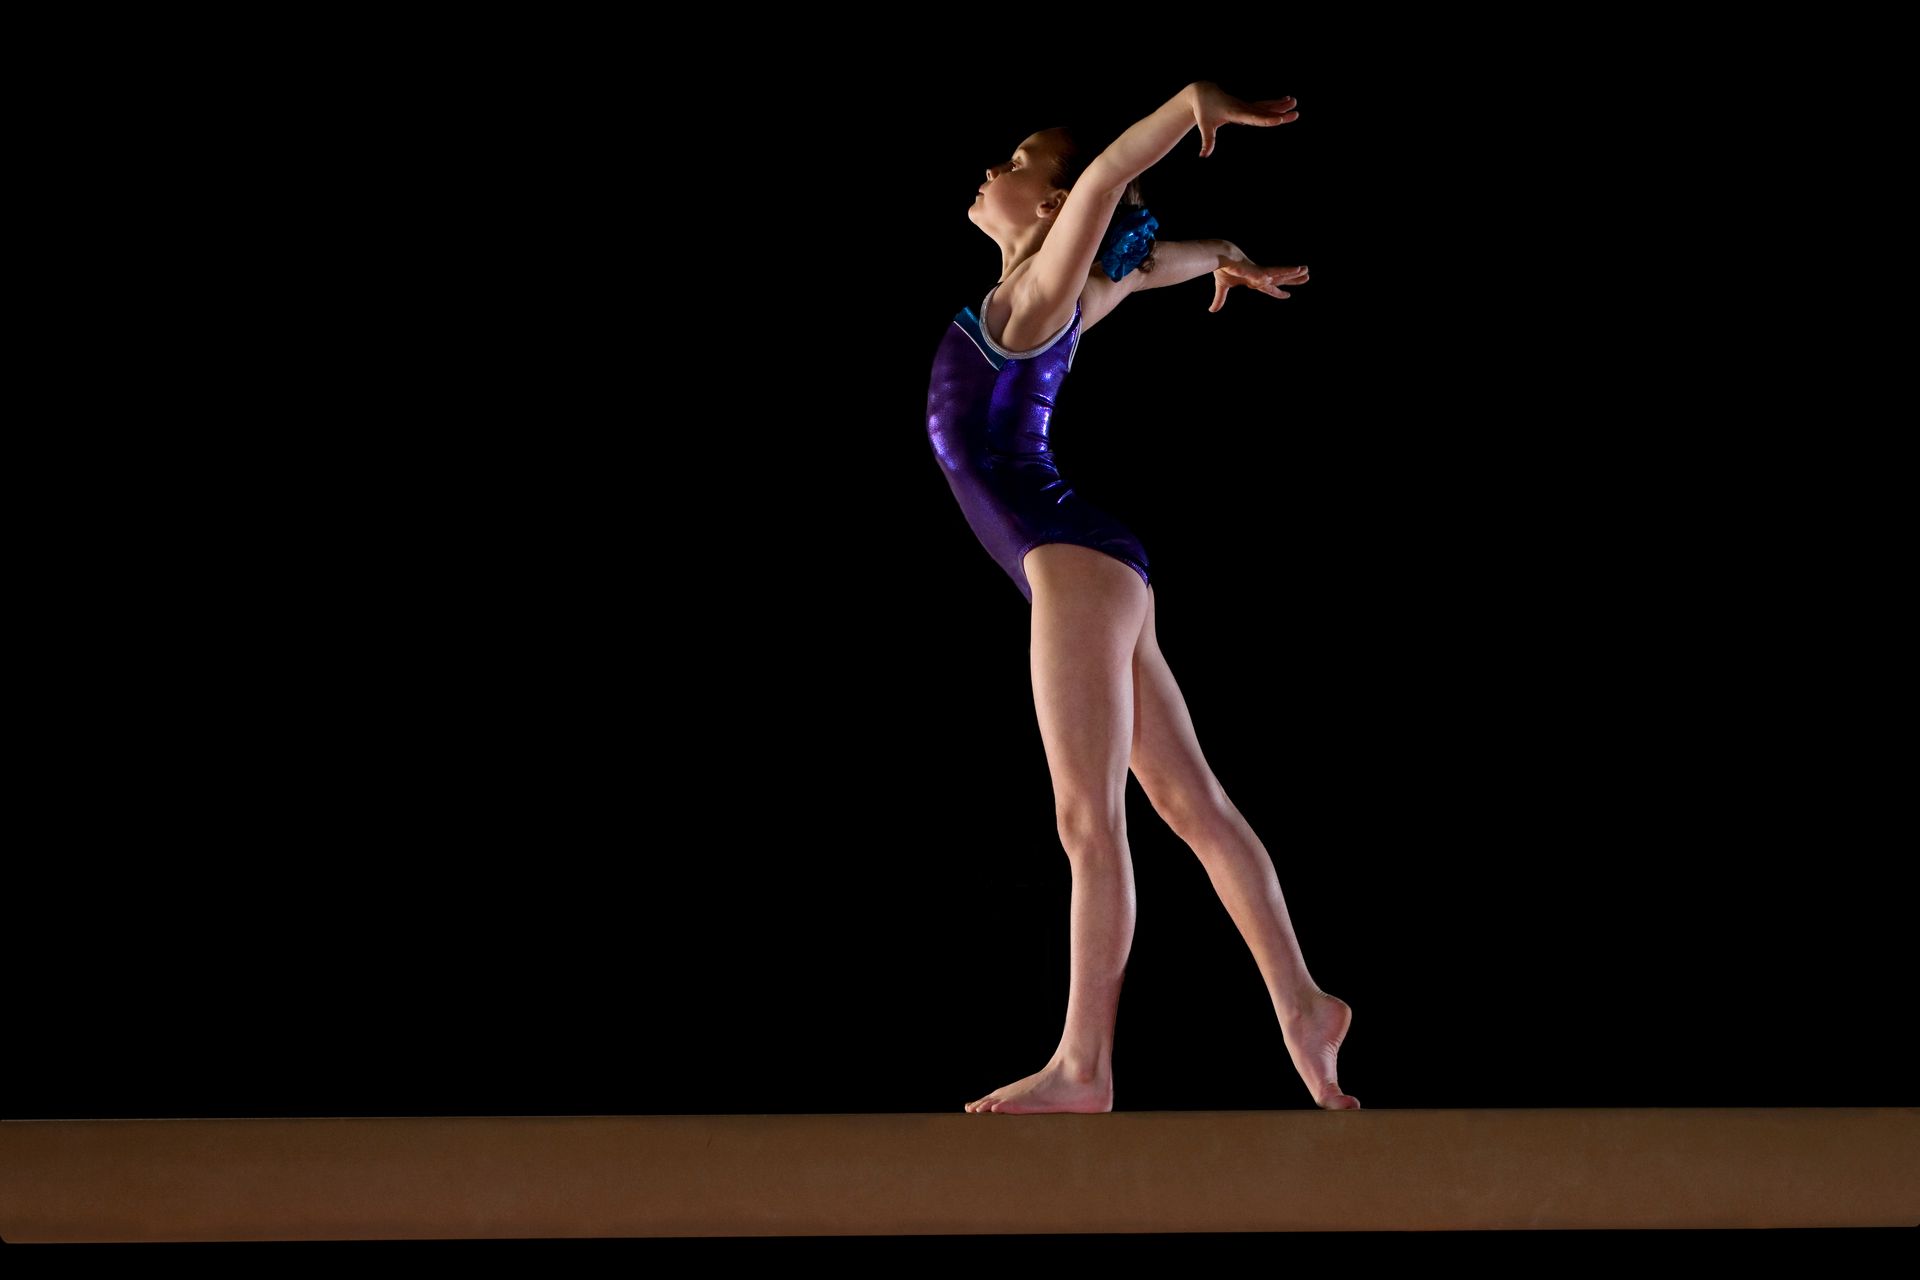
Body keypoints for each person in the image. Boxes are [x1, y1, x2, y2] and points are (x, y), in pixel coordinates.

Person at [925, 81, 1361, 1114]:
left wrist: (1191, 104)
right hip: (1092, 562)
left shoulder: (1032, 305)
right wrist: (1221, 258)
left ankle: (1084, 1065)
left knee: (1090, 819)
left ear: (1048, 205)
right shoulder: (1056, 297)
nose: (995, 168)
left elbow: (1114, 178)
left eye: (1019, 158)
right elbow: (1146, 258)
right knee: (1188, 800)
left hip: (1070, 560)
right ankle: (1304, 1003)